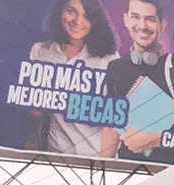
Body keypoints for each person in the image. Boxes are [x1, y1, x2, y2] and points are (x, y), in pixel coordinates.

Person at [102, 0, 174, 162]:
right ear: (126, 20)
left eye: (150, 19)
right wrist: (103, 170)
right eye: (135, 17)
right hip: (127, 173)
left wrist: (154, 139)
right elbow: (111, 126)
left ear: (162, 25)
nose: (142, 25)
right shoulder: (115, 68)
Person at [28, 0, 120, 156]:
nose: (77, 21)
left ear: (95, 21)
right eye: (71, 11)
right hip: (55, 155)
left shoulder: (109, 59)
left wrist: (107, 163)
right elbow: (36, 112)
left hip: (96, 157)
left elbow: (117, 118)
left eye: (86, 16)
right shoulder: (41, 51)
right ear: (60, 12)